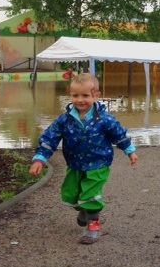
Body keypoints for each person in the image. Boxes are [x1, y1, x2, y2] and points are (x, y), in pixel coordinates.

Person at [28, 73, 138, 244]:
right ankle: (84, 210)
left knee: (91, 195)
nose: (80, 100)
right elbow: (50, 137)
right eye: (75, 95)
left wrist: (130, 150)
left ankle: (93, 227)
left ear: (96, 95)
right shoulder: (65, 120)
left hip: (98, 163)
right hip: (75, 163)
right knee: (70, 195)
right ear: (70, 96)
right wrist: (40, 158)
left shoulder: (104, 119)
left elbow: (119, 134)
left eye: (85, 95)